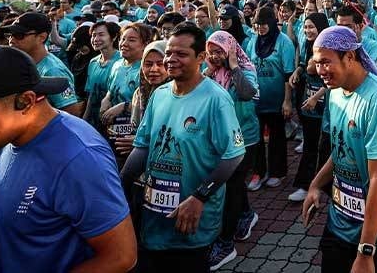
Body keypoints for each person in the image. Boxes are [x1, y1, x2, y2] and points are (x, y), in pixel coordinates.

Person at [0, 45, 136, 273]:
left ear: (26, 101)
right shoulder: (9, 138)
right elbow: (24, 218)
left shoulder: (78, 159)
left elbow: (120, 257)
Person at [120, 24, 246, 272]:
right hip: (153, 217)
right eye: (169, 52)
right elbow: (143, 145)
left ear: (200, 57)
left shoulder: (216, 99)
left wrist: (199, 197)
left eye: (181, 54)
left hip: (190, 223)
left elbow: (233, 155)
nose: (170, 59)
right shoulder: (160, 95)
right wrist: (120, 185)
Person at [300, 26, 377, 273]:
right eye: (317, 64)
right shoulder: (335, 92)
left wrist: (366, 251)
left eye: (326, 63)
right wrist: (316, 184)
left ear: (350, 57)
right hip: (341, 222)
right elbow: (342, 149)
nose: (321, 71)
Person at [203, 31, 260, 268]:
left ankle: (226, 243)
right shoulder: (209, 73)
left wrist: (234, 67)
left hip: (243, 138)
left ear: (231, 50)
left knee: (232, 186)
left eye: (220, 51)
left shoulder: (245, 69)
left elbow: (247, 94)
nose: (215, 56)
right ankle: (246, 214)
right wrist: (206, 73)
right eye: (211, 51)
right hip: (218, 139)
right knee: (233, 185)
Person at [246, 7, 296, 192]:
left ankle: (277, 172)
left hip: (277, 100)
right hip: (257, 100)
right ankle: (258, 171)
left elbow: (288, 73)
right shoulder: (253, 42)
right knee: (256, 138)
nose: (260, 28)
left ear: (272, 23)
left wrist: (287, 101)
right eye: (257, 24)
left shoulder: (284, 42)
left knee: (277, 137)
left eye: (264, 24)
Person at [0, 12, 84, 117]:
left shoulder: (52, 70)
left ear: (42, 37)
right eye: (10, 35)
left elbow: (72, 111)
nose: (11, 40)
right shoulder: (24, 62)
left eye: (19, 35)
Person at [288, 13, 330, 203]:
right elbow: (305, 65)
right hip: (308, 104)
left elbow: (333, 78)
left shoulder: (329, 48)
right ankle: (306, 185)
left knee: (326, 147)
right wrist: (297, 71)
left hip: (326, 106)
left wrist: (317, 96)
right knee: (311, 145)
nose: (308, 31)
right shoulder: (307, 45)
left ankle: (323, 186)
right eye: (305, 27)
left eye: (312, 27)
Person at [100, 23, 152, 156]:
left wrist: (124, 106)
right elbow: (111, 90)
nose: (124, 43)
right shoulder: (117, 65)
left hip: (135, 136)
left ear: (145, 44)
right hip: (113, 132)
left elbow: (149, 106)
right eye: (123, 39)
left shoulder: (147, 70)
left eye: (132, 40)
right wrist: (107, 99)